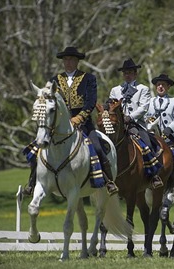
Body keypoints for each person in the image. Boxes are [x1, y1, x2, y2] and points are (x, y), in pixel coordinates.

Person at [23, 46, 118, 196]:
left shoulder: (89, 78)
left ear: (77, 61)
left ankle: (108, 181)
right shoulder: (54, 80)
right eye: (66, 59)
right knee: (36, 149)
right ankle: (32, 181)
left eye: (72, 59)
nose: (68, 62)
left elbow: (91, 101)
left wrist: (79, 118)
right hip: (58, 125)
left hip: (83, 123)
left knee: (98, 148)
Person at [109, 58, 163, 189]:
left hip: (135, 125)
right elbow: (110, 105)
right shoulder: (115, 90)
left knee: (146, 142)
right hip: (118, 125)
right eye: (125, 72)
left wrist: (130, 117)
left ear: (135, 74)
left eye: (130, 72)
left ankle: (153, 174)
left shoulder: (142, 89)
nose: (127, 75)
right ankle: (104, 175)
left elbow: (143, 108)